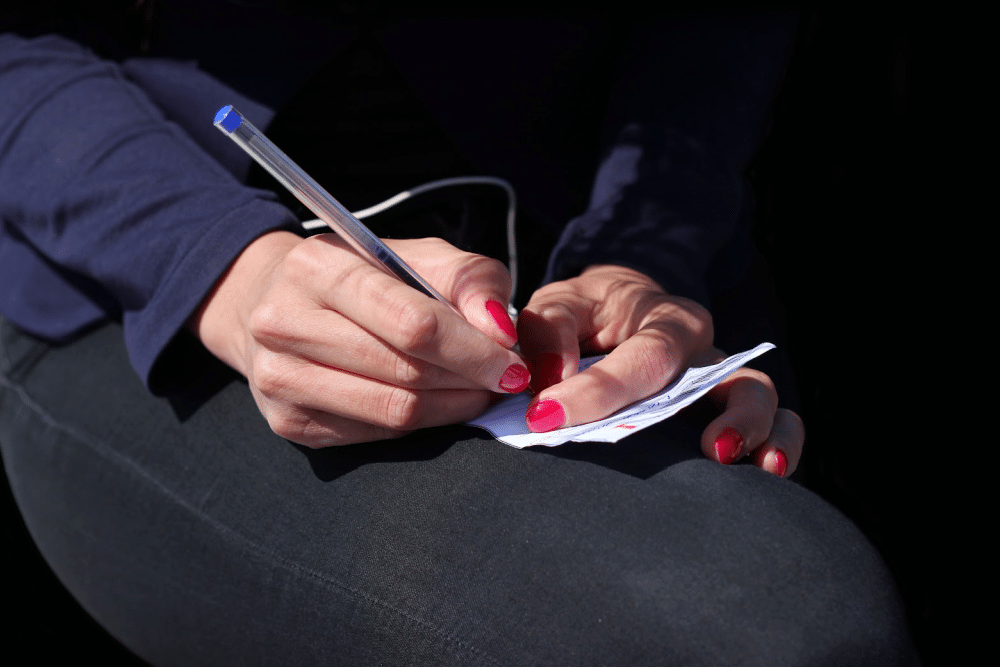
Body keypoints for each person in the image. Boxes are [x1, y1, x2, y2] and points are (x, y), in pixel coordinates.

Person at [0, 2, 918, 664]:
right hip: (142, 255)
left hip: (596, 237)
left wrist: (647, 250)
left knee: (777, 594)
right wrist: (217, 264)